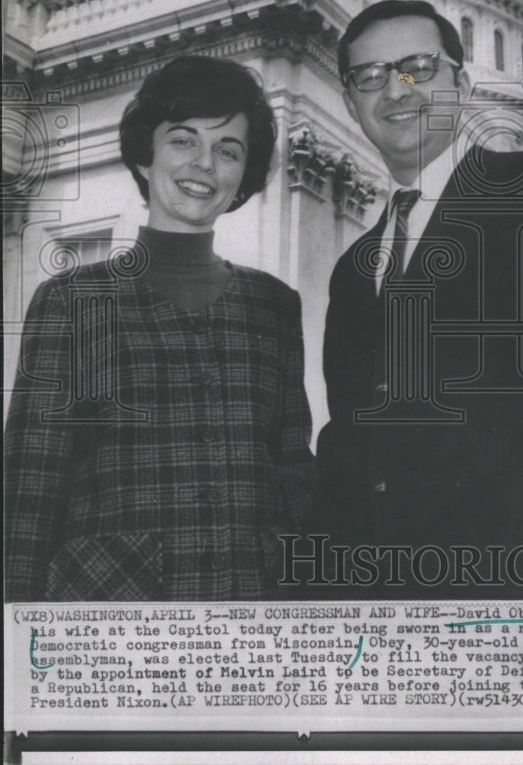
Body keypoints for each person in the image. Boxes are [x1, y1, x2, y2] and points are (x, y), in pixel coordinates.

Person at [312, 0, 523, 597]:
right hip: (385, 603)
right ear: (351, 103)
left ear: (462, 83)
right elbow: (349, 436)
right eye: (370, 76)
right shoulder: (353, 269)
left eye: (418, 65)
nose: (396, 89)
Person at [5, 55, 314, 602]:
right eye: (183, 139)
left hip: (254, 609)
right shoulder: (72, 299)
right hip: (108, 615)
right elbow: (29, 488)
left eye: (227, 150)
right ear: (146, 155)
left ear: (242, 174)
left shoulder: (274, 306)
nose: (204, 164)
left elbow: (292, 474)